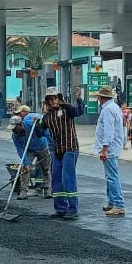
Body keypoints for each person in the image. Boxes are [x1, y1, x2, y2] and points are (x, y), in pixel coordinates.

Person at [38, 87, 84, 219]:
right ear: (47, 101)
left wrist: (79, 100)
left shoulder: (67, 109)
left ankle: (73, 209)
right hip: (57, 150)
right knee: (56, 179)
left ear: (59, 98)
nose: (53, 101)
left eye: (55, 98)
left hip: (70, 148)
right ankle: (60, 209)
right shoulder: (47, 117)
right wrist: (37, 124)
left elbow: (79, 111)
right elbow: (39, 133)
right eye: (50, 99)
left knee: (68, 178)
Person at [94, 85, 126, 217]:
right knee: (110, 176)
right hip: (114, 146)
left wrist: (104, 149)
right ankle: (112, 202)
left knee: (112, 176)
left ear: (101, 97)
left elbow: (108, 130)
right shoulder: (114, 107)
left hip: (109, 147)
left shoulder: (107, 110)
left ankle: (118, 204)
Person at [11, 105, 52, 200]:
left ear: (20, 125)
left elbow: (46, 133)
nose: (13, 130)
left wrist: (38, 125)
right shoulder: (15, 136)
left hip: (42, 147)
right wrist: (26, 163)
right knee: (24, 169)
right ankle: (23, 191)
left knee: (46, 169)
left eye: (15, 128)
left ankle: (47, 190)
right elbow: (20, 150)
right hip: (29, 150)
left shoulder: (30, 124)